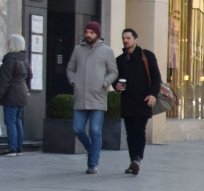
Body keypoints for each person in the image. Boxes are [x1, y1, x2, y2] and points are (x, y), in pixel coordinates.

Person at [66, 22, 118, 174]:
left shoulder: (107, 51)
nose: (88, 35)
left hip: (98, 97)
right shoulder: (78, 50)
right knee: (77, 128)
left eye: (91, 32)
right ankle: (92, 150)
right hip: (81, 96)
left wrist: (105, 82)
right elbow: (70, 69)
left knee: (95, 130)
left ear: (97, 34)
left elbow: (113, 72)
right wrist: (73, 81)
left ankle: (93, 163)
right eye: (86, 32)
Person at [113, 28, 162, 175]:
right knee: (130, 132)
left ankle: (137, 159)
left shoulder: (146, 56)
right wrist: (116, 86)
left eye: (128, 38)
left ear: (135, 39)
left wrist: (153, 94)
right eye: (124, 38)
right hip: (127, 101)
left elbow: (156, 77)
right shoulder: (120, 60)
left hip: (143, 101)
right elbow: (115, 79)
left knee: (139, 130)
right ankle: (133, 160)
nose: (126, 40)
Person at [0, 34, 30, 157]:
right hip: (22, 93)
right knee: (18, 121)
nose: (7, 44)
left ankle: (12, 148)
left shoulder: (10, 60)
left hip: (12, 94)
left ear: (12, 44)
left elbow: (5, 80)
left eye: (9, 42)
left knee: (10, 121)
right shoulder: (23, 59)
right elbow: (29, 76)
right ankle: (19, 148)